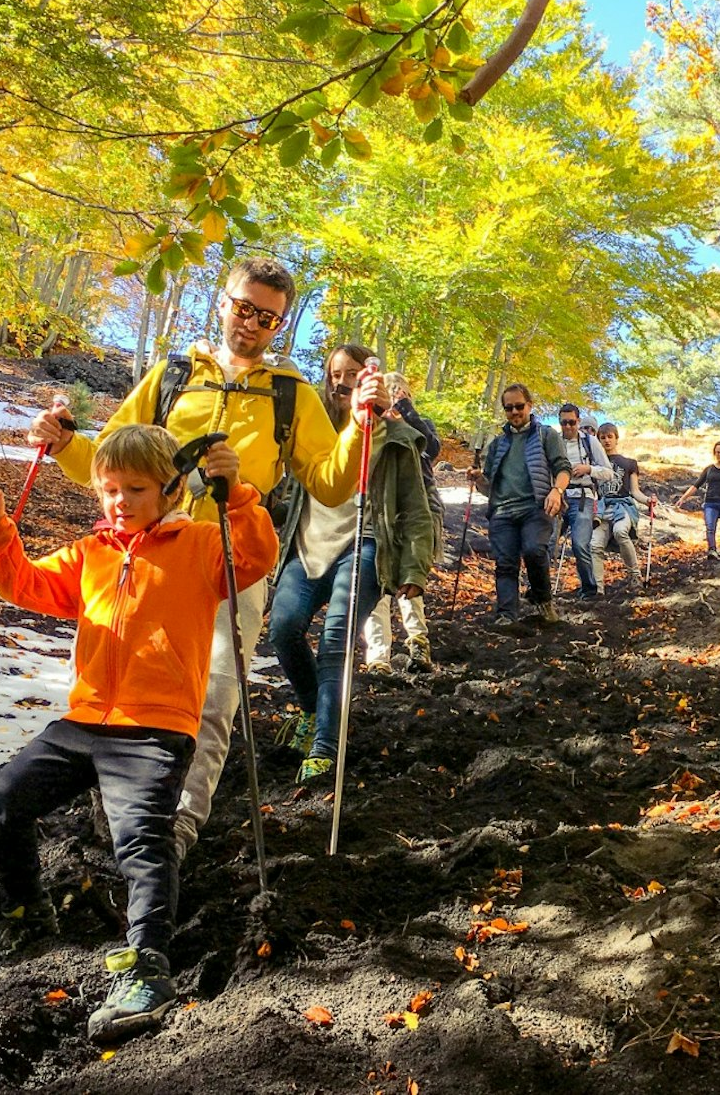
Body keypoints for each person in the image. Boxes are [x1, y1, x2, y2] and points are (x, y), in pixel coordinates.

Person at [27, 257, 388, 857]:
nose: (251, 324)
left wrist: (358, 423)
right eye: (244, 308)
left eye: (267, 318)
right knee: (114, 682)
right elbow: (111, 456)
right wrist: (64, 442)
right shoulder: (172, 375)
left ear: (280, 326)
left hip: (231, 559)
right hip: (143, 555)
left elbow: (330, 481)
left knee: (216, 693)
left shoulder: (290, 394)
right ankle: (115, 813)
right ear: (223, 303)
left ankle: (178, 828)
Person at [0, 425, 278, 1044]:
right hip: (85, 721)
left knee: (141, 840)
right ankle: (30, 911)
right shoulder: (91, 554)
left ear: (169, 489)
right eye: (109, 489)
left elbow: (255, 557)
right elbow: (23, 584)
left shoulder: (199, 543)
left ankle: (148, 966)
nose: (120, 500)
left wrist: (237, 493)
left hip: (156, 728)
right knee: (5, 801)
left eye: (135, 488)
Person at [268, 346, 436, 781]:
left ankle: (326, 744)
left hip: (365, 544)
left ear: (372, 379)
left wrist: (415, 569)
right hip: (307, 546)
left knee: (335, 641)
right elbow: (287, 494)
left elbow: (416, 509)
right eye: (335, 374)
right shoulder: (310, 428)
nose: (342, 382)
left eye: (353, 374)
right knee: (283, 629)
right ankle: (311, 709)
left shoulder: (398, 438)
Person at [468, 384, 571, 629]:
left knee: (535, 550)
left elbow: (563, 468)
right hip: (502, 511)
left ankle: (543, 600)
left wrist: (557, 491)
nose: (514, 412)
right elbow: (489, 487)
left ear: (530, 405)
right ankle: (507, 616)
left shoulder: (546, 435)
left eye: (519, 406)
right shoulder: (497, 444)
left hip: (536, 507)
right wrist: (478, 479)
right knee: (505, 562)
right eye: (509, 408)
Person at [362, 371, 442, 671]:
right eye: (389, 390)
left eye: (400, 391)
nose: (394, 395)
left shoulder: (419, 424)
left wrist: (405, 411)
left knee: (410, 578)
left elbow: (431, 447)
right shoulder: (372, 425)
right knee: (376, 579)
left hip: (415, 504)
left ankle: (418, 642)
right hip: (379, 508)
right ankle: (378, 656)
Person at [552, 402, 613, 601]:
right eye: (563, 423)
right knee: (546, 543)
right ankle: (539, 588)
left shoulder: (590, 442)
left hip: (583, 498)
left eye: (571, 422)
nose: (568, 427)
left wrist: (589, 470)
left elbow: (608, 473)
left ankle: (589, 588)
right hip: (557, 497)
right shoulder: (553, 442)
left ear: (578, 421)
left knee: (579, 544)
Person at [591, 423, 657, 595]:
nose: (606, 441)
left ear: (616, 438)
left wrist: (648, 501)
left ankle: (635, 577)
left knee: (621, 532)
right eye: (602, 437)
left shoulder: (629, 463)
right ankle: (597, 589)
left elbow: (635, 491)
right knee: (595, 544)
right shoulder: (594, 465)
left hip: (623, 506)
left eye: (609, 437)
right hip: (602, 510)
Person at [675, 439, 720, 559]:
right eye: (718, 452)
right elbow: (696, 485)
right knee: (710, 528)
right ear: (714, 453)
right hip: (710, 503)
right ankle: (712, 551)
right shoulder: (709, 469)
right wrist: (683, 498)